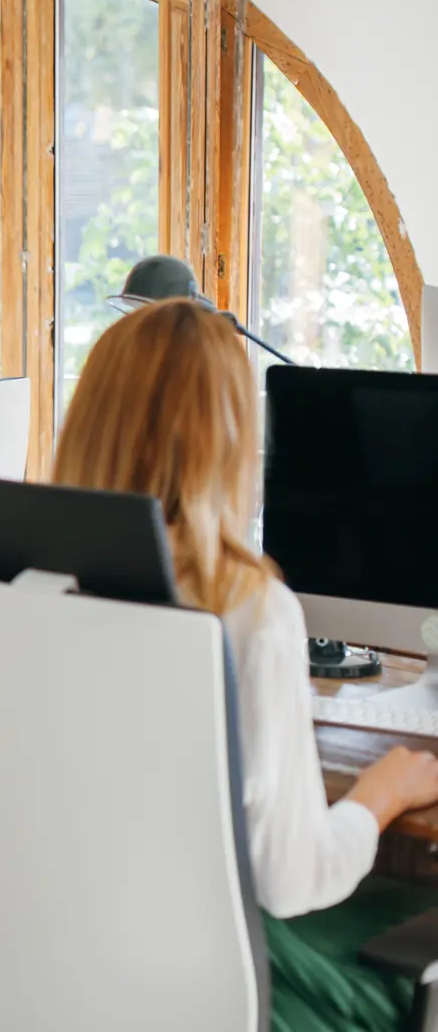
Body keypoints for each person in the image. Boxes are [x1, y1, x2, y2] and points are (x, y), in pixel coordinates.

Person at [54, 299, 438, 1031]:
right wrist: (378, 795)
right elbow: (293, 878)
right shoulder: (249, 611)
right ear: (229, 436)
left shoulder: (32, 584)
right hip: (218, 990)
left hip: (70, 968)